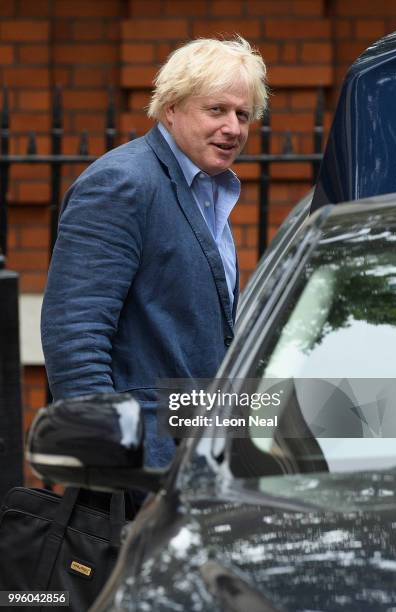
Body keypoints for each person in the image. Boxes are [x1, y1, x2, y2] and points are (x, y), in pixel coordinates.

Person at [41, 36, 268, 468]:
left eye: (243, 114)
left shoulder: (206, 191)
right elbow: (75, 331)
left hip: (194, 457)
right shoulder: (123, 183)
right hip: (140, 469)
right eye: (216, 110)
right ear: (171, 108)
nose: (233, 128)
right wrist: (108, 453)